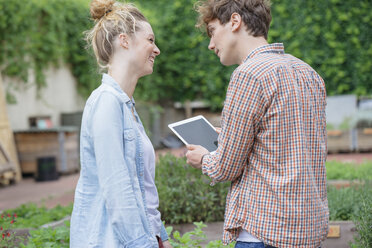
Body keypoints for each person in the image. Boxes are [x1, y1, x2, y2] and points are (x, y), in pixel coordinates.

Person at [185, 0, 329, 247]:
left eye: (212, 32)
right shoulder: (309, 73)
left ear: (234, 21)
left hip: (264, 232)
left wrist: (204, 158)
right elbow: (286, 143)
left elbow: (225, 168)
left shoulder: (248, 74)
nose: (210, 44)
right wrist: (231, 136)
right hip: (308, 230)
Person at [70, 0, 172, 247]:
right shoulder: (107, 103)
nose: (156, 49)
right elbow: (118, 191)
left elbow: (142, 189)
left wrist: (161, 237)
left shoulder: (126, 106)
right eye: (150, 40)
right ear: (124, 41)